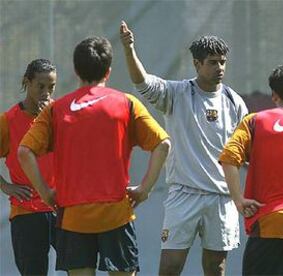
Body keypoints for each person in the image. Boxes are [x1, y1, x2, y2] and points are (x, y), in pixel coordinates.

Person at [17, 36, 170, 275]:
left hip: (74, 218)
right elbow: (163, 144)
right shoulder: (126, 103)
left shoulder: (56, 109)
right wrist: (145, 189)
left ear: (76, 70)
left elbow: (24, 152)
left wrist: (46, 193)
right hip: (117, 215)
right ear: (108, 71)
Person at [120, 21, 248, 275]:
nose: (219, 67)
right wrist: (129, 49)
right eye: (213, 62)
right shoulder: (176, 93)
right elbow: (142, 83)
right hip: (184, 194)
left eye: (222, 62)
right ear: (197, 64)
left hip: (221, 198)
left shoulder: (235, 102)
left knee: (216, 266)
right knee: (170, 265)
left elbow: (245, 149)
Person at [219, 64, 283, 275]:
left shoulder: (255, 121)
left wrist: (239, 200)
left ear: (274, 95)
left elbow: (229, 158)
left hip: (268, 222)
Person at [0, 58, 56, 275]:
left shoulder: (59, 115)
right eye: (40, 86)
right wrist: (5, 186)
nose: (46, 92)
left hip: (63, 208)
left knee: (79, 268)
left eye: (51, 87)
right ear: (27, 82)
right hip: (27, 211)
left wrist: (54, 119)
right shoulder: (9, 120)